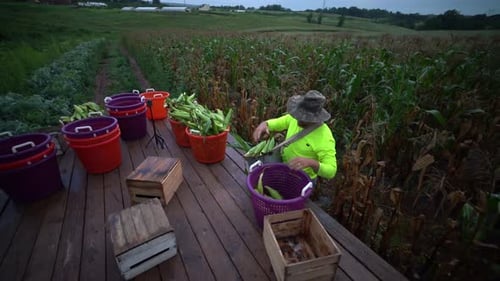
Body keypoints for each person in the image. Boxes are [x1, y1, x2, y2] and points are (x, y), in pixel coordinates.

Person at [252, 90, 337, 181]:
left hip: (302, 177)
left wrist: (311, 163)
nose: (299, 120)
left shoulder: (324, 137)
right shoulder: (296, 118)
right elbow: (281, 122)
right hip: (284, 165)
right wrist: (265, 124)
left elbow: (331, 170)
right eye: (299, 115)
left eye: (304, 118)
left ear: (315, 118)